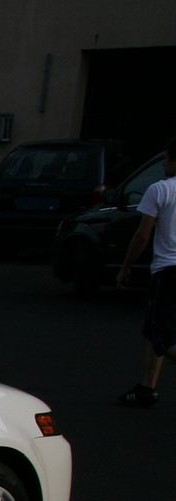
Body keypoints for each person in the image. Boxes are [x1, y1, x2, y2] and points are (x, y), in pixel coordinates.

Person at [118, 136, 176, 407]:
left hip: (168, 271)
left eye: (166, 158)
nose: (164, 163)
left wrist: (126, 267)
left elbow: (142, 236)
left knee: (160, 333)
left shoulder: (160, 189)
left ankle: (146, 388)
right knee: (155, 331)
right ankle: (146, 387)